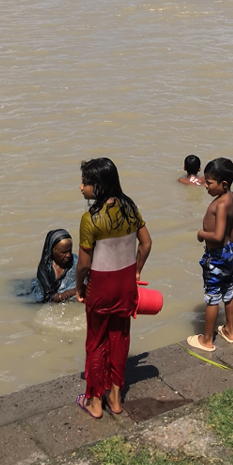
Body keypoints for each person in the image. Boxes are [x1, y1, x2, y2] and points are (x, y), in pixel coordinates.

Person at [75, 157, 152, 419]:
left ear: (98, 186)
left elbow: (84, 264)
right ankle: (116, 400)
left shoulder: (90, 219)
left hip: (100, 286)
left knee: (96, 342)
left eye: (85, 183)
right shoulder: (130, 208)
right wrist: (137, 269)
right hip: (125, 285)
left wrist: (79, 286)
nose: (81, 187)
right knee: (120, 339)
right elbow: (147, 243)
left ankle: (95, 403)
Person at [187, 157, 233, 352]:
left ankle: (207, 340)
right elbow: (232, 228)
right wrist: (229, 246)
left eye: (209, 183)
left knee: (212, 297)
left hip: (216, 256)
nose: (205, 187)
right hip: (230, 252)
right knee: (229, 291)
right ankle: (229, 331)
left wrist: (202, 234)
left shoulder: (220, 204)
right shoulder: (232, 198)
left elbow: (217, 235)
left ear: (223, 184)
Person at [31, 229, 78, 303]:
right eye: (64, 252)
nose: (68, 255)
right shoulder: (45, 269)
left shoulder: (75, 262)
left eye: (70, 251)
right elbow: (48, 298)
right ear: (52, 251)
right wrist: (74, 291)